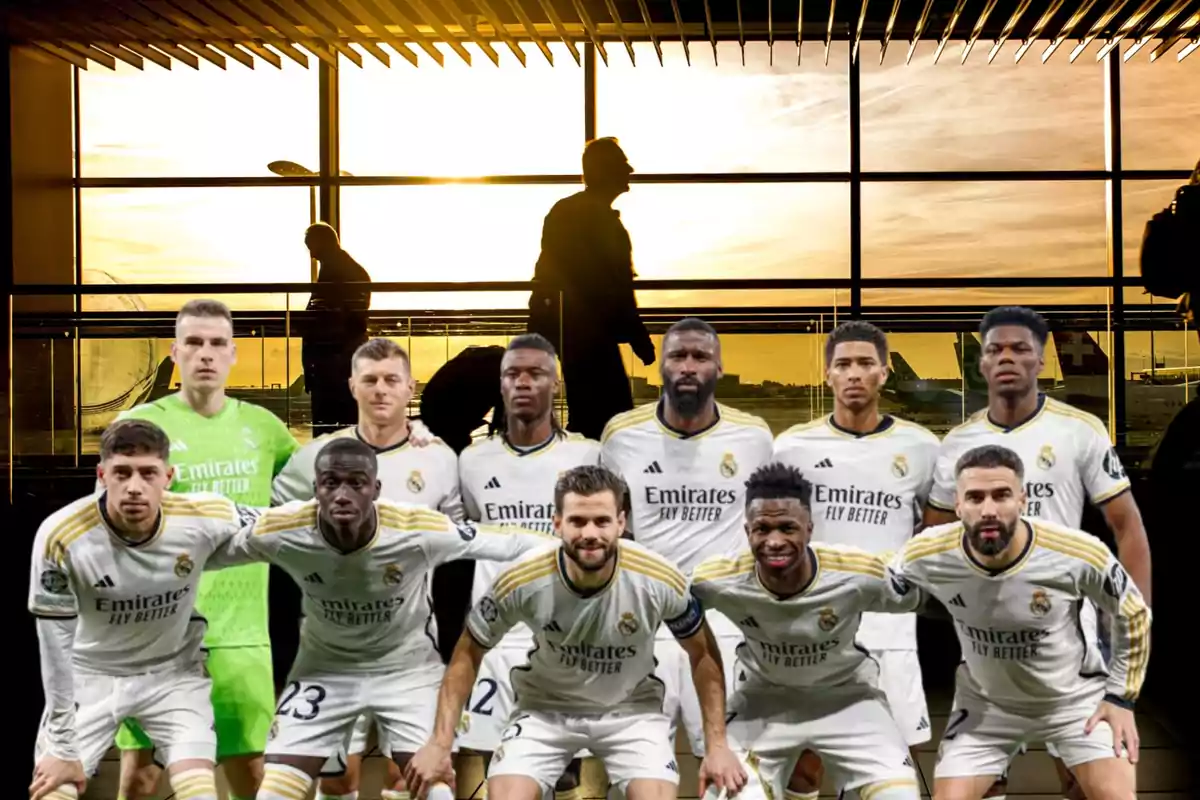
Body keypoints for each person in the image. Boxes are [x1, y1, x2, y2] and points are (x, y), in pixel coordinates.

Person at [209, 437, 551, 800]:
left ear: (376, 489)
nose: (342, 494)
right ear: (315, 490)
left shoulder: (415, 529)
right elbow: (206, 550)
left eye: (356, 483)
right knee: (274, 793)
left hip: (406, 671)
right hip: (325, 668)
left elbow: (507, 542)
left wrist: (574, 548)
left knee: (433, 788)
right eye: (330, 483)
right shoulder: (283, 530)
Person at [404, 465, 748, 800]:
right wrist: (439, 742)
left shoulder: (659, 578)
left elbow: (702, 652)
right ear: (557, 524)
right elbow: (468, 651)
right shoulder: (522, 579)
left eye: (602, 521)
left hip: (631, 712)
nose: (590, 534)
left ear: (621, 523)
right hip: (543, 709)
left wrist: (718, 746)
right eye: (577, 521)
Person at [923, 307, 1152, 800]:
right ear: (980, 364)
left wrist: (1134, 614)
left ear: (1041, 361)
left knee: (1081, 779)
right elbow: (933, 537)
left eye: (1020, 349)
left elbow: (1127, 525)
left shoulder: (1079, 430)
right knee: (983, 777)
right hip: (989, 641)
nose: (1007, 358)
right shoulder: (958, 443)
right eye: (995, 350)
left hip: (1065, 637)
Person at [114, 298, 299, 800]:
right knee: (141, 775)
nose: (206, 354)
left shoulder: (264, 430)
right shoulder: (141, 426)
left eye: (217, 343)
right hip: (159, 639)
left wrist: (406, 438)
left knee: (253, 773)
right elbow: (108, 518)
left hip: (243, 637)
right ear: (175, 352)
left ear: (233, 353)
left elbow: (317, 485)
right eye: (193, 343)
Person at [893, 445, 1150, 800]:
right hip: (987, 706)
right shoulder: (926, 553)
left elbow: (1134, 612)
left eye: (1001, 496)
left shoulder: (1075, 553)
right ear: (957, 505)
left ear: (1023, 500)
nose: (988, 510)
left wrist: (1122, 697)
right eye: (975, 497)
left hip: (1074, 702)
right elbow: (873, 587)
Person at [272, 337, 462, 800]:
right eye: (370, 380)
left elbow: (456, 553)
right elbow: (278, 537)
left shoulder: (437, 458)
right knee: (337, 777)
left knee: (414, 774)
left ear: (409, 387)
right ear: (352, 385)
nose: (381, 390)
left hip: (410, 650)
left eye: (391, 380)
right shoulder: (313, 458)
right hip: (332, 651)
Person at [27, 419, 258, 800]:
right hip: (90, 675)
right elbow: (54, 650)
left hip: (173, 673)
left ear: (168, 476)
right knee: (55, 790)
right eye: (122, 473)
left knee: (200, 791)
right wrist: (63, 748)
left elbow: (284, 524)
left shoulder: (204, 515)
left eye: (148, 473)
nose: (134, 486)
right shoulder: (62, 537)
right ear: (102, 475)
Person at [772, 321, 939, 798]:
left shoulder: (922, 447)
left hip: (889, 633)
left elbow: (935, 534)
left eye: (865, 363)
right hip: (813, 630)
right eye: (843, 364)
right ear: (827, 375)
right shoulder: (792, 447)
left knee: (887, 764)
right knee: (804, 766)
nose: (854, 374)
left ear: (884, 373)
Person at [691, 462, 923, 800]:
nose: (774, 541)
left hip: (848, 699)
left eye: (788, 528)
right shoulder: (716, 580)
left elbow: (927, 597)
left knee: (899, 796)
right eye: (762, 529)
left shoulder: (858, 573)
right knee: (724, 795)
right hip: (762, 701)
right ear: (747, 531)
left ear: (810, 528)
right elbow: (665, 606)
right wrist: (715, 746)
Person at [601, 317, 773, 764]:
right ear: (661, 366)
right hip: (646, 624)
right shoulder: (622, 436)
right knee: (638, 765)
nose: (688, 366)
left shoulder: (754, 437)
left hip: (726, 623)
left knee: (731, 764)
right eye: (678, 356)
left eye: (701, 357)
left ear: (718, 367)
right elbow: (617, 530)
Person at [456, 333, 602, 800]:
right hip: (493, 641)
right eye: (512, 374)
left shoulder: (589, 456)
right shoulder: (471, 461)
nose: (522, 382)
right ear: (500, 386)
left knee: (566, 778)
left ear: (555, 385)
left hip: (568, 642)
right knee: (482, 769)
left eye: (535, 374)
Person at [528, 137, 655, 440]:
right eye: (623, 164)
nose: (630, 170)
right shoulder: (600, 221)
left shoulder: (567, 212)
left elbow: (551, 273)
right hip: (591, 334)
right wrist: (637, 335)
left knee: (592, 413)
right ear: (607, 171)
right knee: (608, 416)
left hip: (570, 331)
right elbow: (614, 286)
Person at [302, 221, 373, 436]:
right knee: (344, 423)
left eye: (313, 248)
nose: (312, 256)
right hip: (338, 360)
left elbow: (338, 319)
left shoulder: (338, 274)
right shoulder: (351, 271)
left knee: (332, 424)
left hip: (333, 362)